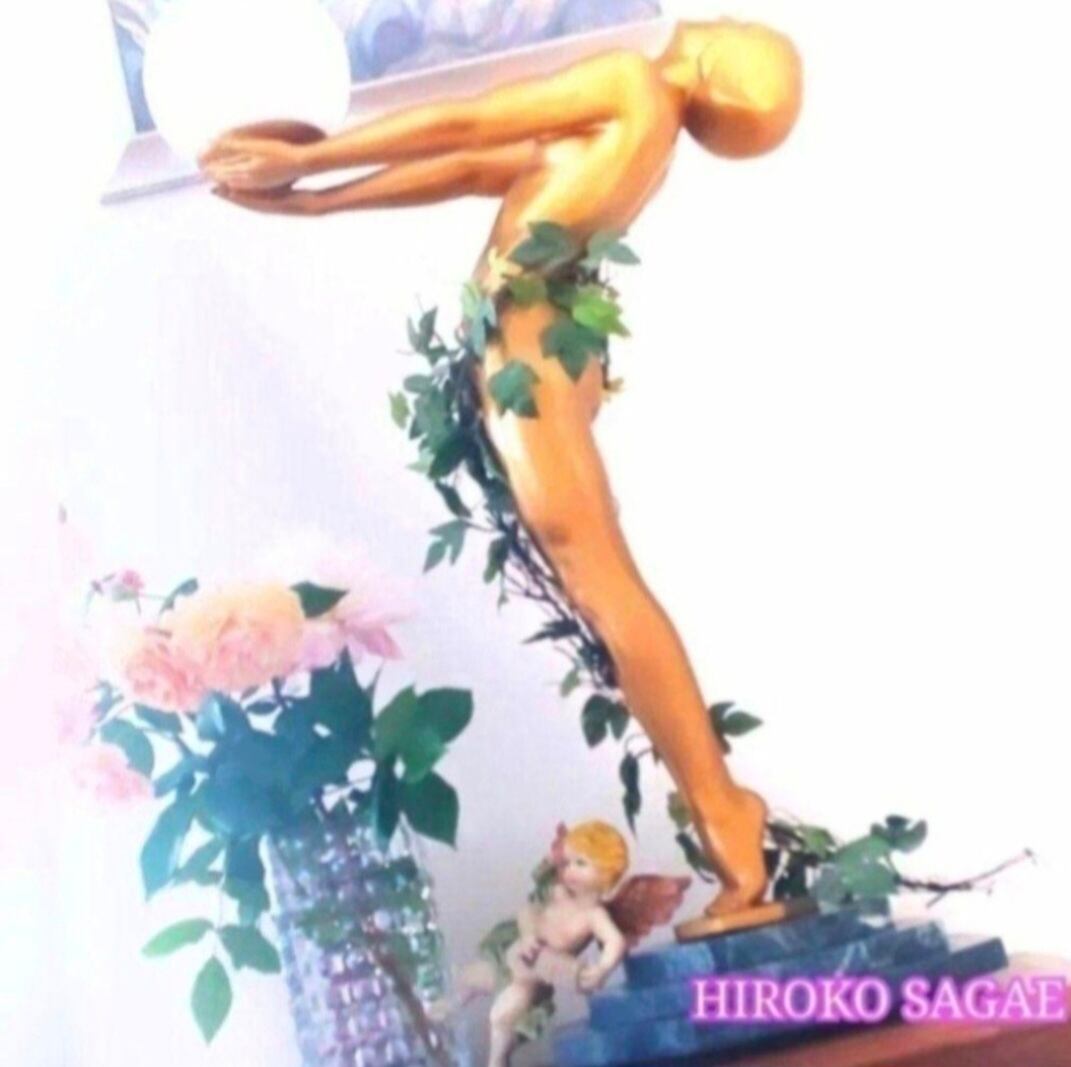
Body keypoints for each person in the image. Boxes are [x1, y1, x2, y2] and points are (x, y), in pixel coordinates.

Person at [200, 19, 803, 930]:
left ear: (721, 59)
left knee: (607, 590)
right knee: (601, 588)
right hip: (538, 350)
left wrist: (315, 156)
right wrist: (319, 197)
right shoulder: (634, 130)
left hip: (531, 355)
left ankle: (724, 810)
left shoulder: (634, 88)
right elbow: (481, 166)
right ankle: (720, 806)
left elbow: (470, 121)